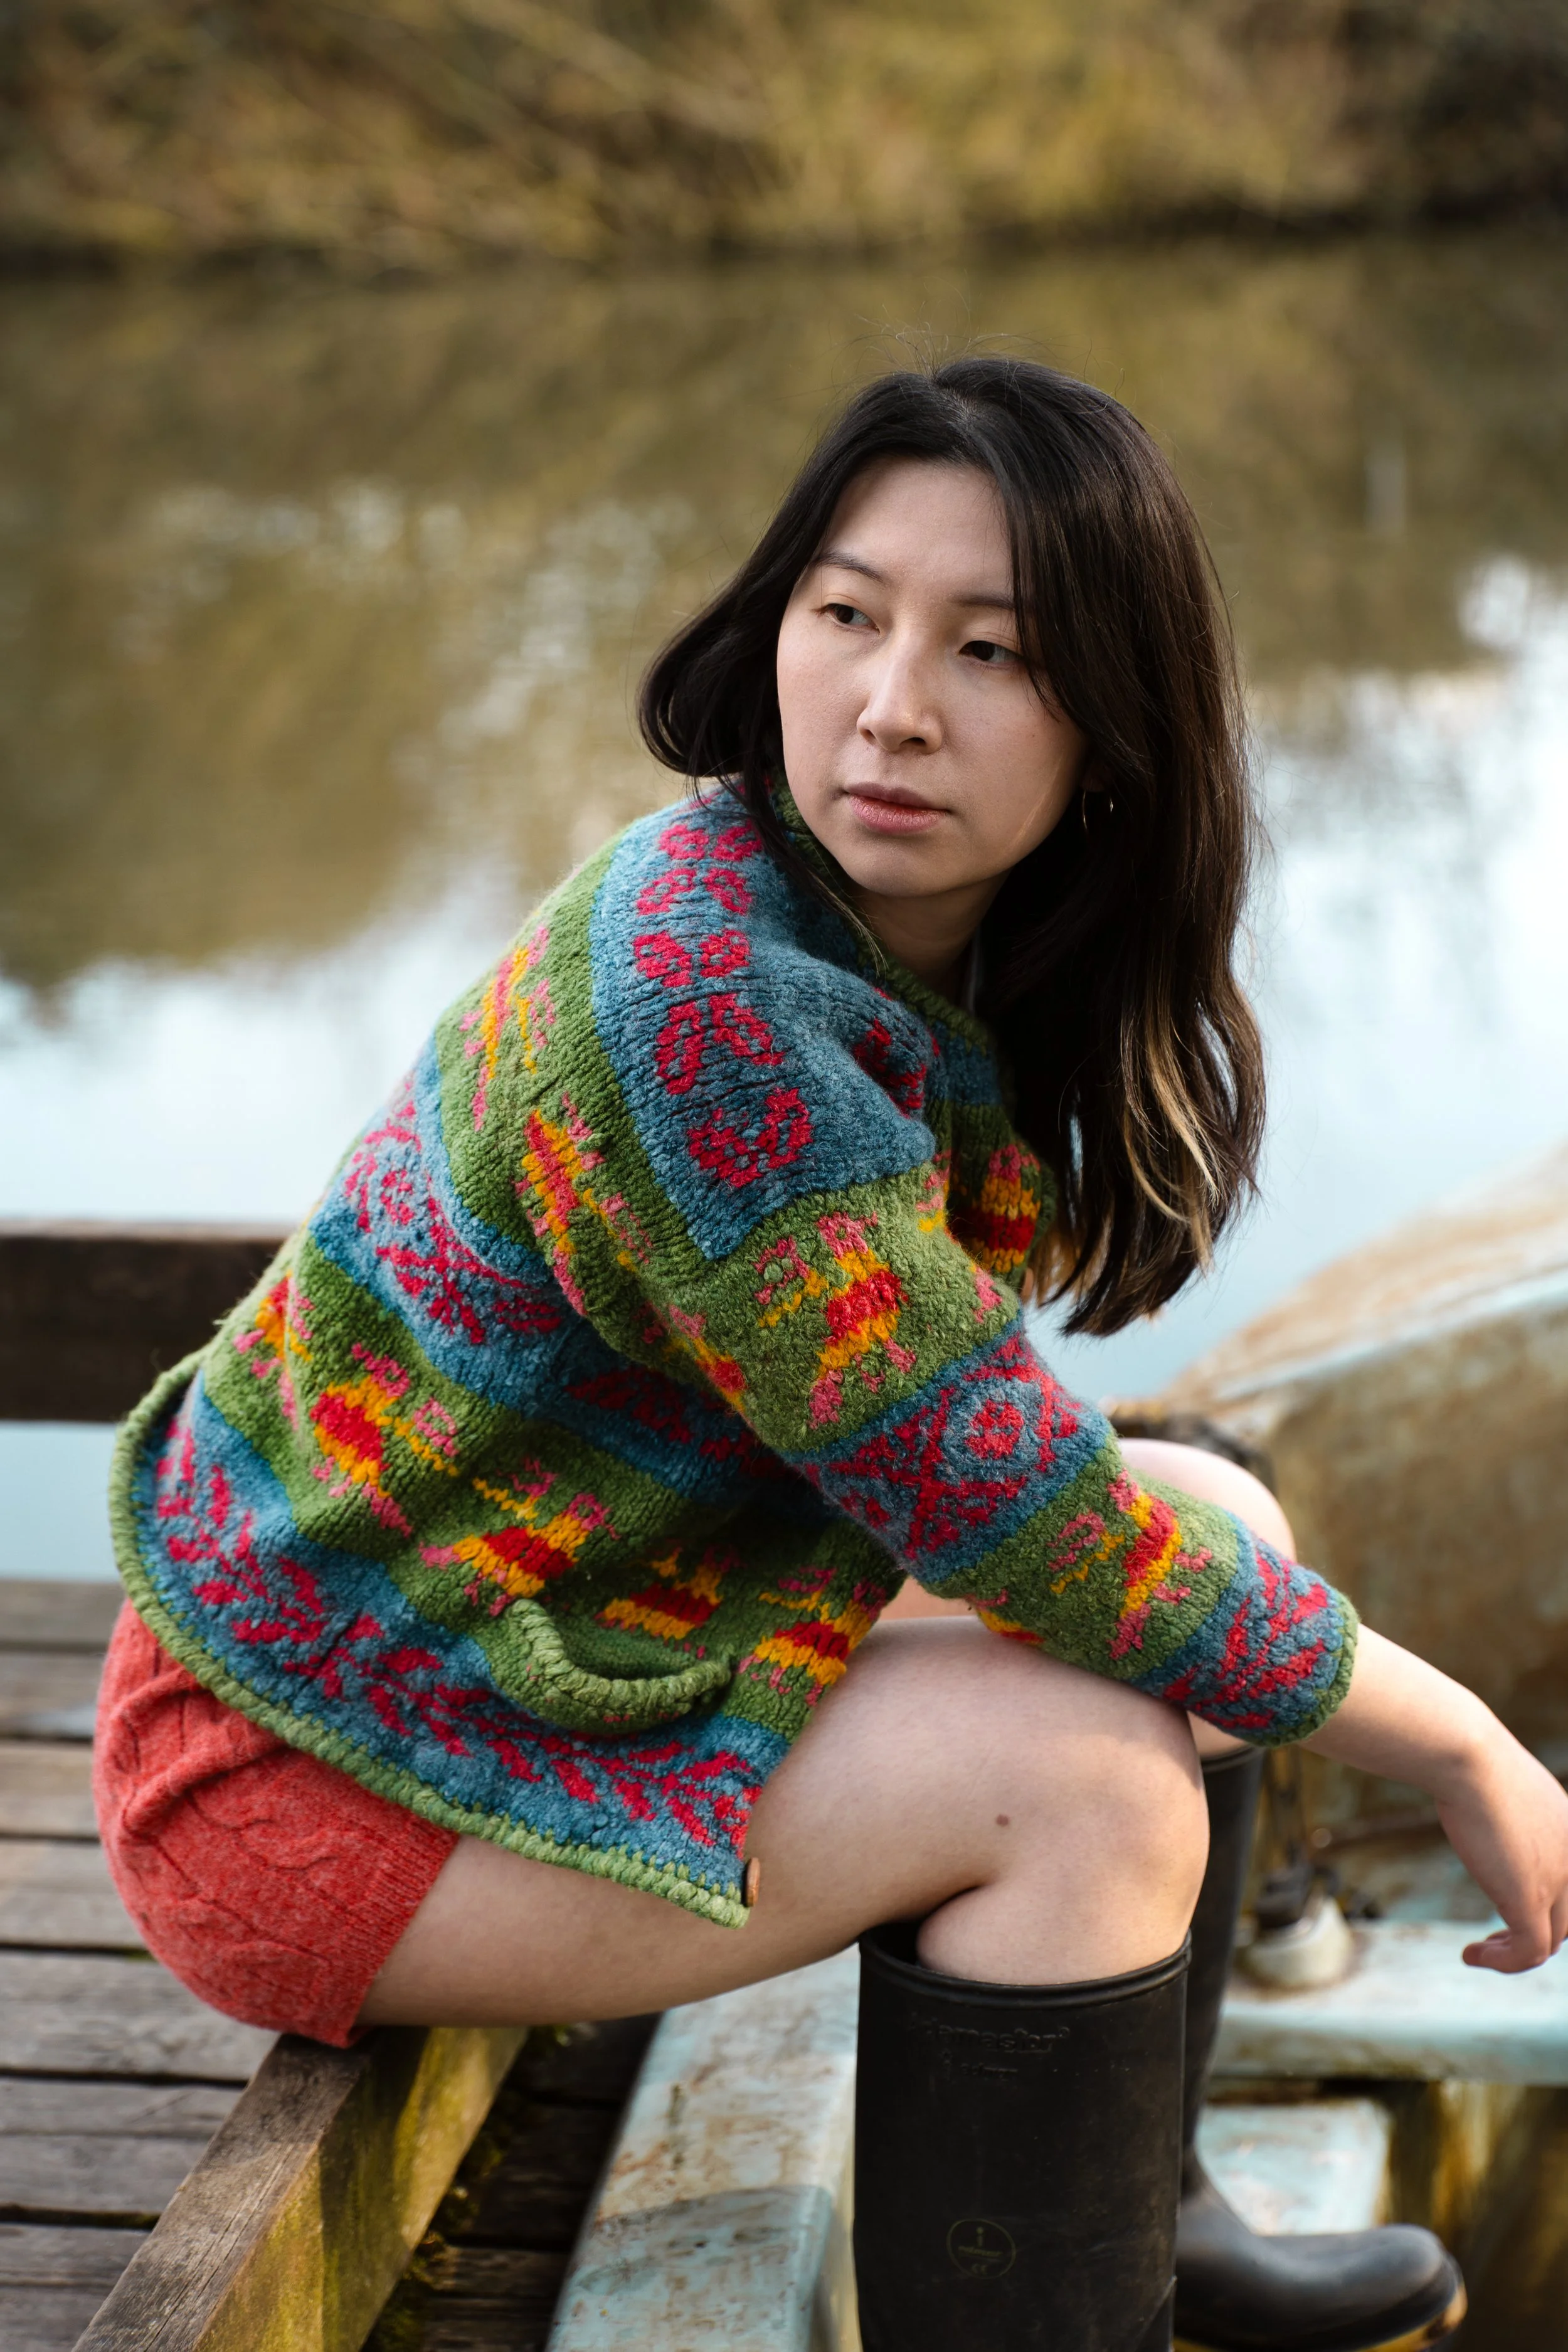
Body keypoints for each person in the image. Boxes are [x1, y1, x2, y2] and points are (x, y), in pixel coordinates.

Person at [97, 359, 1568, 2352]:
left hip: (529, 1616)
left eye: (993, 650)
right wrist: (1455, 1733)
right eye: (848, 611)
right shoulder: (713, 999)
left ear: (1116, 725)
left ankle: (1146, 2214)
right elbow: (1011, 1520)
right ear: (773, 618)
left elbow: (983, 1470)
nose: (890, 704)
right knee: (1091, 1788)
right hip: (315, 1758)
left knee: (1214, 1508)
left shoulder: (896, 939)